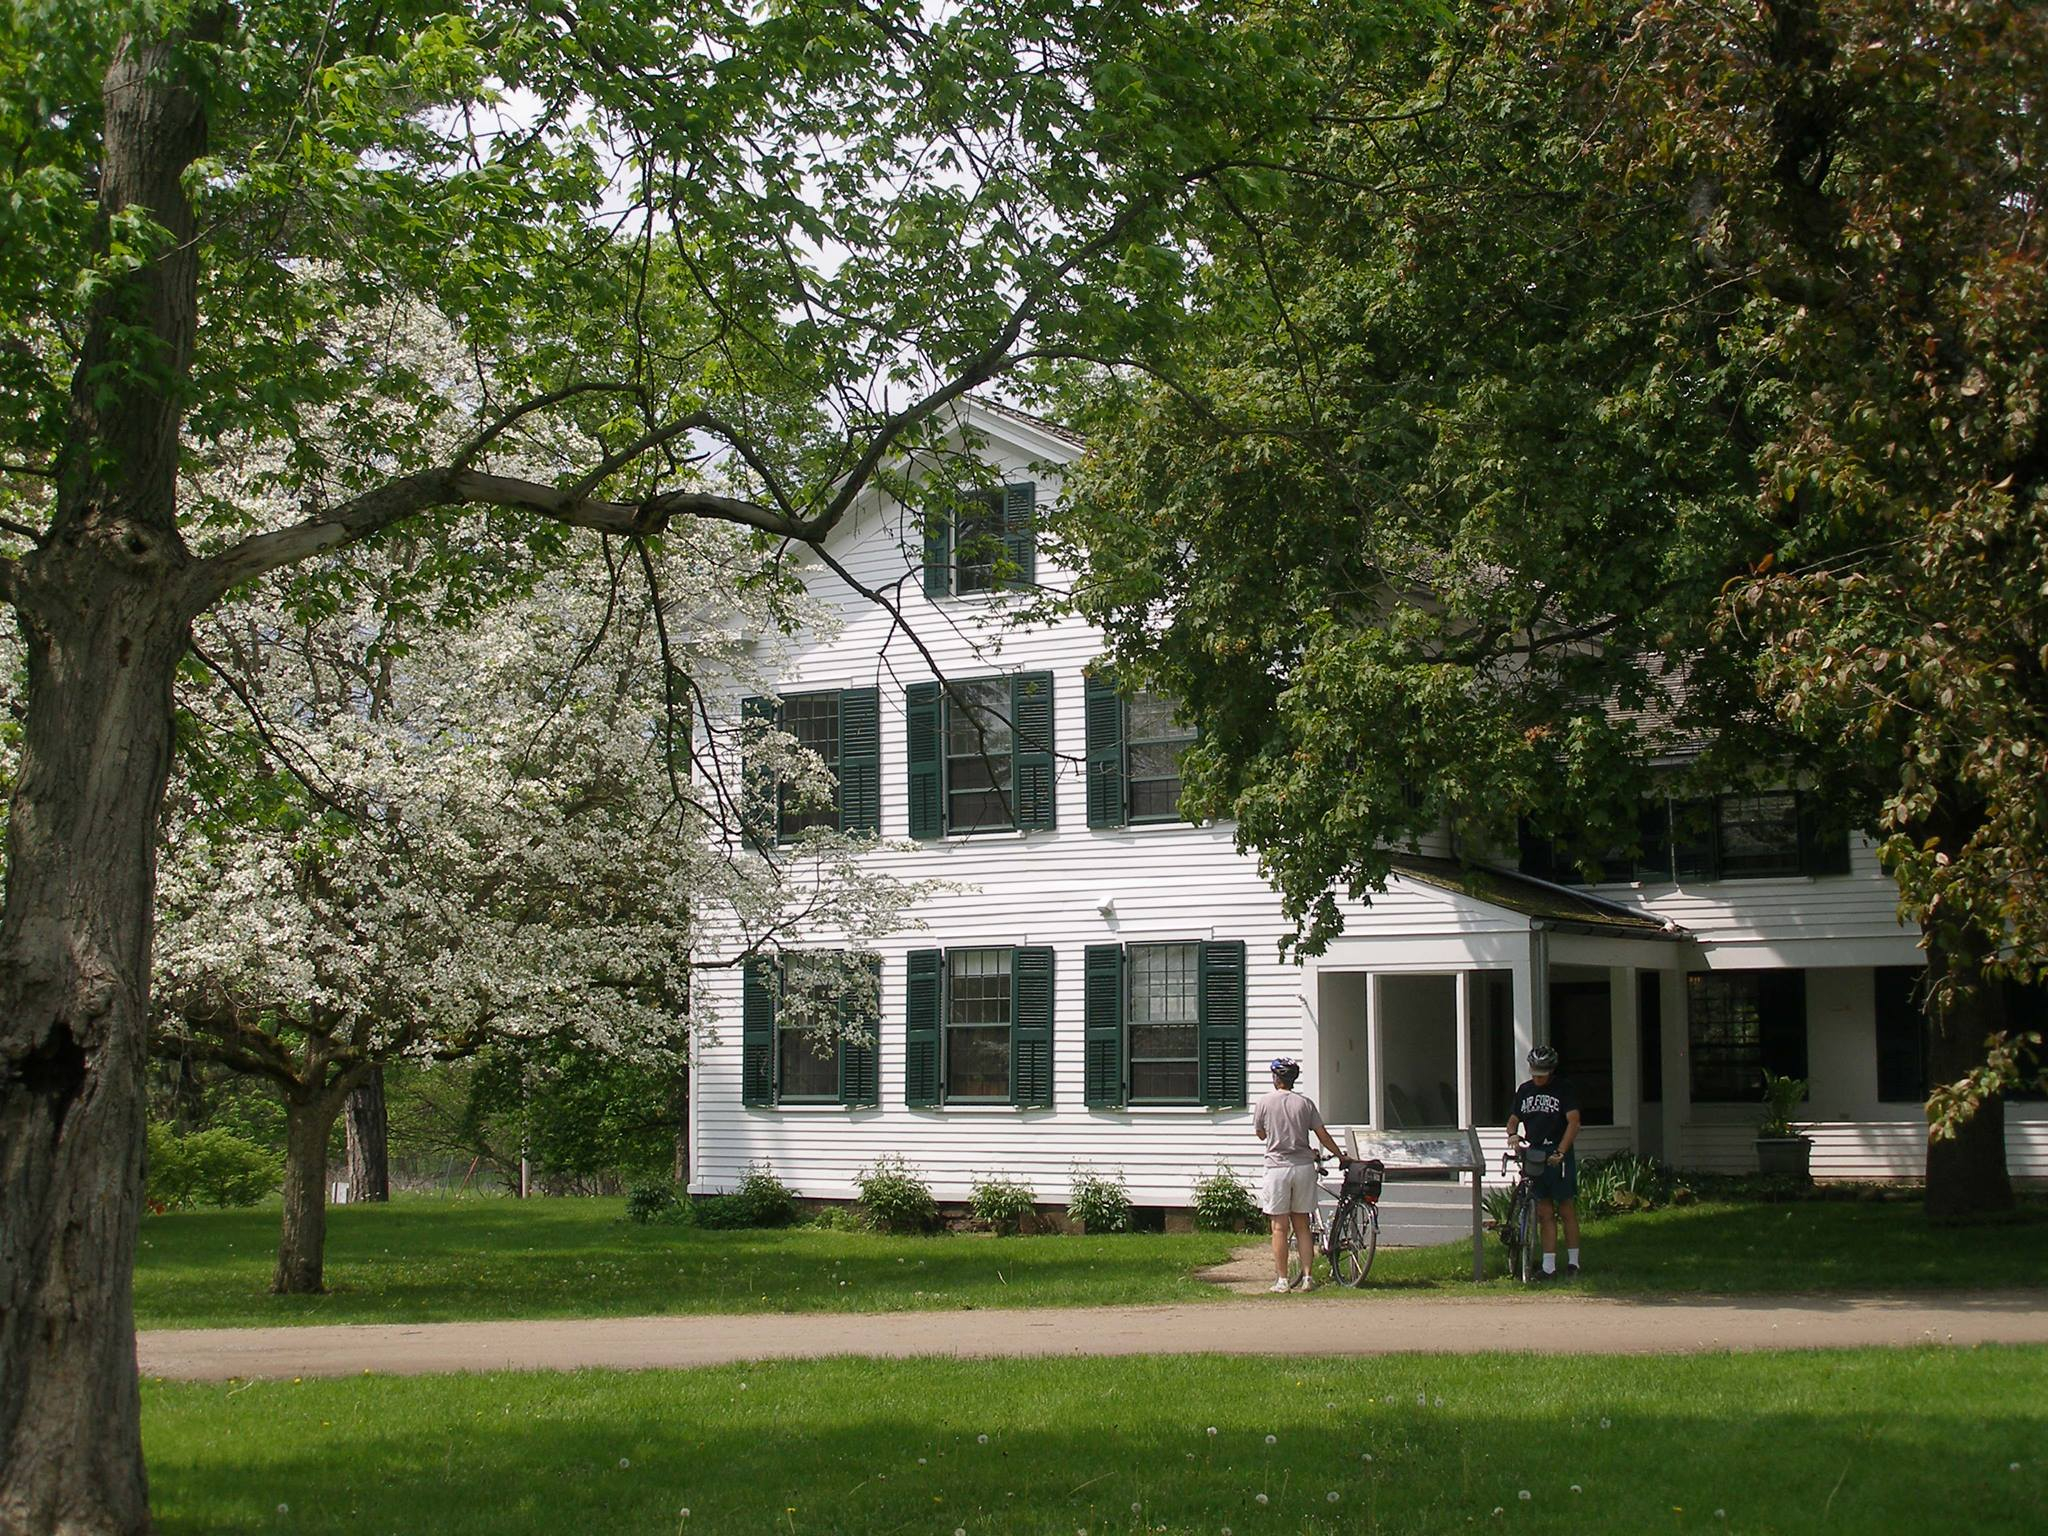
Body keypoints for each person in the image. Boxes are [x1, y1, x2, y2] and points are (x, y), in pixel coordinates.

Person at [1251, 1057, 1348, 1293]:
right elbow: (1322, 1134)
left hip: (1277, 1167)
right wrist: (1341, 1156)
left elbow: (1261, 1134)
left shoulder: (1264, 1102)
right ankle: (1307, 1277)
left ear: (1276, 1078)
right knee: (1302, 1224)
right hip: (1303, 1167)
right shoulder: (1305, 1104)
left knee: (1279, 1227)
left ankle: (1282, 1280)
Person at [1505, 1044, 1582, 1279]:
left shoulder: (1563, 1090)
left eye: (1543, 1073)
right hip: (1535, 1154)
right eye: (1535, 1072)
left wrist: (1561, 1151)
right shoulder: (1525, 1091)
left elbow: (1574, 1122)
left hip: (1557, 1155)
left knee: (1566, 1208)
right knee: (1544, 1211)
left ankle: (1573, 1263)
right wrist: (1513, 1135)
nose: (1538, 1078)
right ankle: (1548, 1267)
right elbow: (1513, 1120)